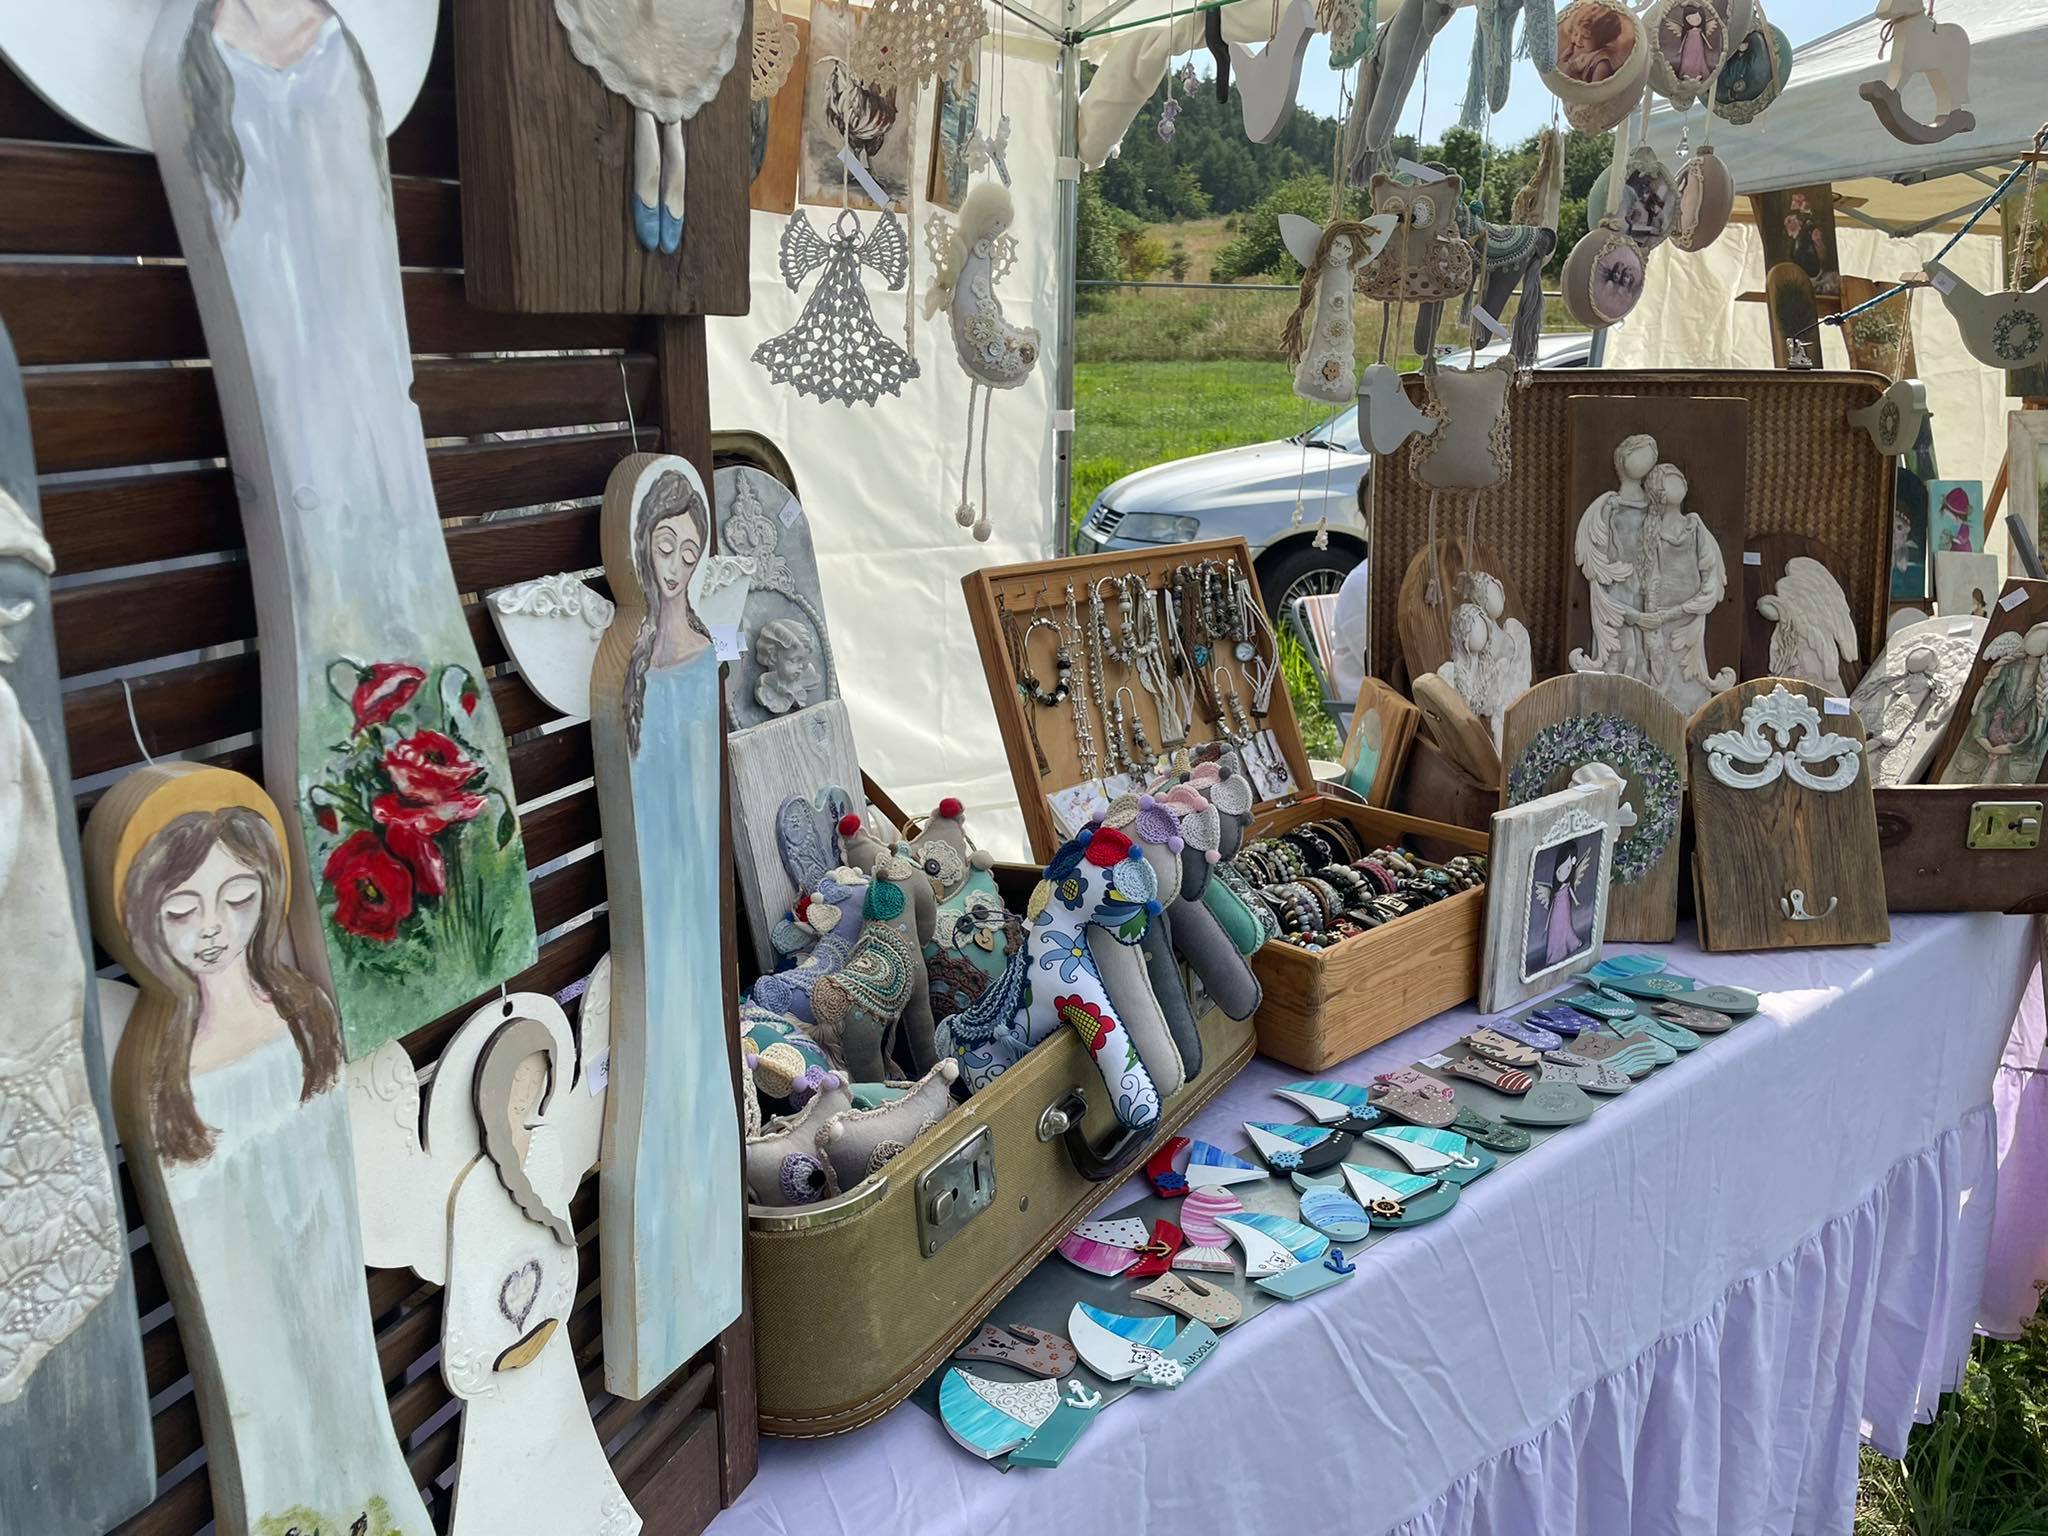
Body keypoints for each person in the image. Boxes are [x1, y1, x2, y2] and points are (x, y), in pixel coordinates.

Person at [108, 779, 431, 1535]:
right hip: (237, 1276)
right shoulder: (161, 1065)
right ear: (143, 919)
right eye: (181, 911)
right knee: (270, 1419)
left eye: (238, 900)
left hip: (320, 1251)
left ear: (269, 894)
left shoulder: (302, 1009)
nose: (213, 929)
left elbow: (327, 1153)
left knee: (344, 1389)